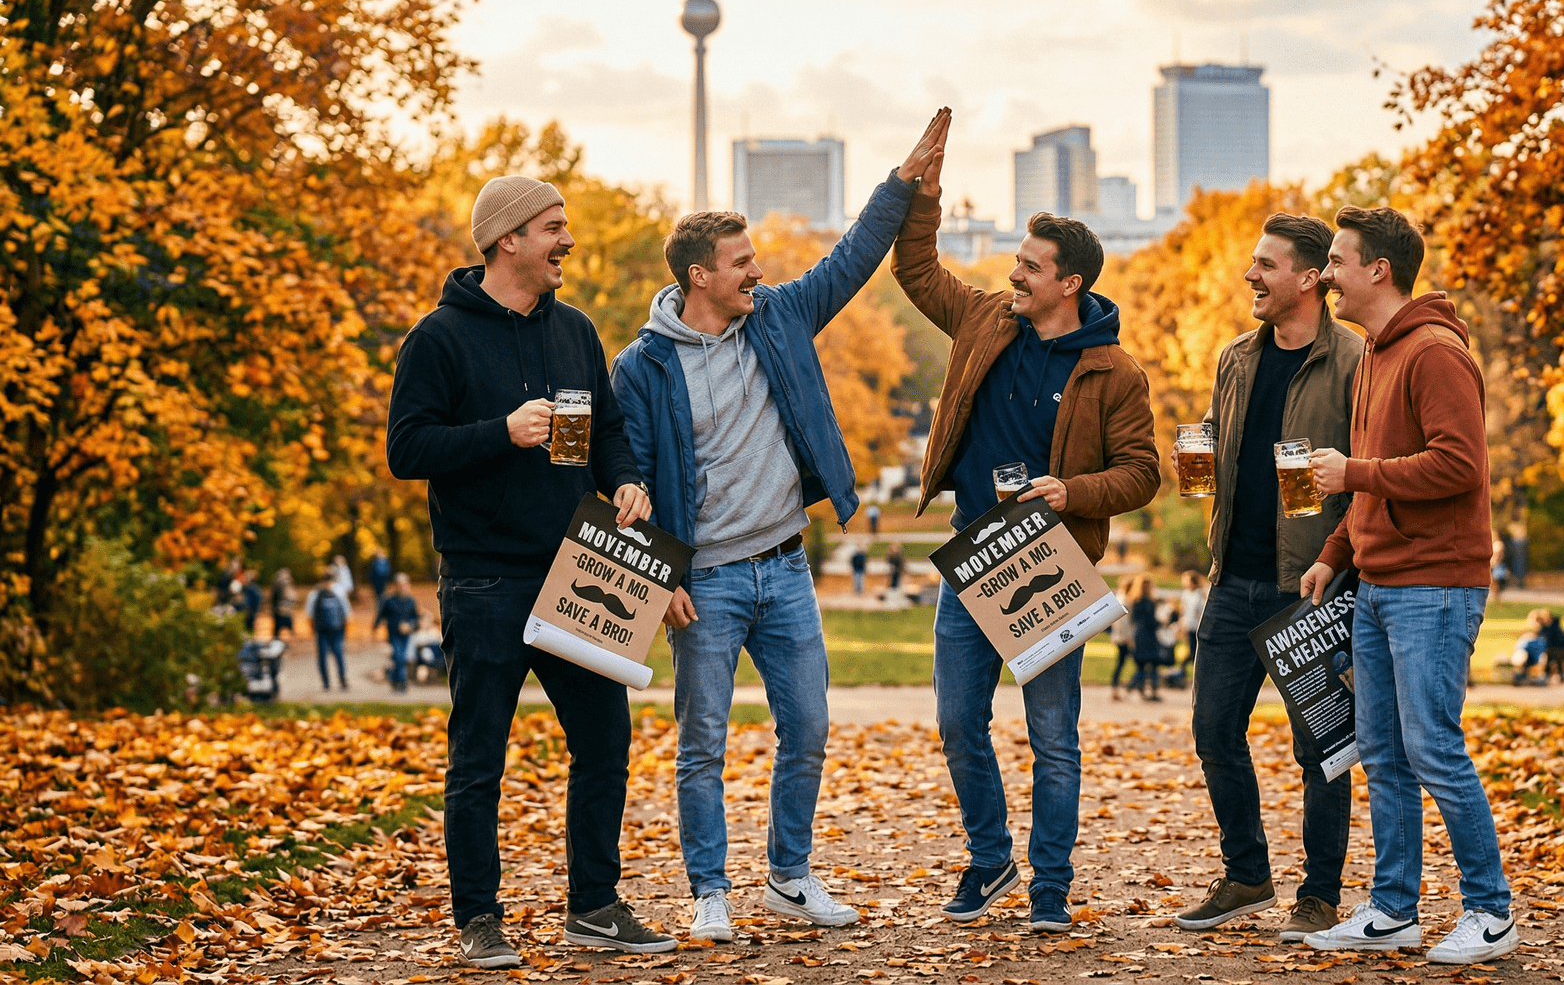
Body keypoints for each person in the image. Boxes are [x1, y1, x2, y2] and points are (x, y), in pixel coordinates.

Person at [610, 109, 947, 945]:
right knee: (704, 743)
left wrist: (902, 182)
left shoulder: (779, 318)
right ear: (699, 276)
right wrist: (664, 580)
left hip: (786, 567)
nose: (757, 271)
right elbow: (631, 480)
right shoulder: (642, 367)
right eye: (741, 263)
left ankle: (790, 877)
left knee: (809, 728)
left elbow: (853, 259)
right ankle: (709, 891)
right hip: (708, 583)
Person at [387, 172, 671, 967]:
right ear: (508, 239)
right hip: (483, 578)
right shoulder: (437, 339)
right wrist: (499, 432)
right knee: (480, 755)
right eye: (552, 227)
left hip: (578, 570)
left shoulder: (573, 330)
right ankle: (478, 918)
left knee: (604, 740)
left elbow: (608, 430)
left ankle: (594, 907)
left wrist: (625, 479)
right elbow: (406, 450)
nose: (566, 242)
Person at [890, 118, 1160, 932]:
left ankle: (1050, 885)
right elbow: (915, 268)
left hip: (1051, 563)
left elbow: (1144, 472)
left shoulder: (1113, 370)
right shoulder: (983, 320)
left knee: (1054, 737)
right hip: (975, 556)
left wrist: (1071, 491)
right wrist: (923, 194)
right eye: (1016, 261)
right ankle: (989, 858)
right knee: (956, 721)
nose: (1014, 274)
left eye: (1030, 267)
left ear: (1069, 283)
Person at [1299, 205, 1518, 963]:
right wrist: (1335, 551)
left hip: (1436, 586)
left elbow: (1460, 465)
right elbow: (1370, 481)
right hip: (1381, 583)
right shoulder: (1375, 355)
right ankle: (1393, 910)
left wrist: (1354, 473)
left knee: (1433, 749)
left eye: (1335, 260)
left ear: (1377, 270)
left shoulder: (1433, 353)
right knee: (1385, 753)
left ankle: (1492, 912)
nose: (1325, 274)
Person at [1177, 212, 1363, 937]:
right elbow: (1221, 439)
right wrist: (1199, 458)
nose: (1250, 275)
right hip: (1233, 578)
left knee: (1321, 745)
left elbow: (1364, 478)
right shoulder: (1235, 357)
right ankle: (1247, 872)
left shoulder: (1354, 361)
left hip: (1311, 583)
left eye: (1266, 264)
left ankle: (1319, 893)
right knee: (1213, 730)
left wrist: (1332, 560)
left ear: (1309, 278)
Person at [374, 574, 422, 693]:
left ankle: (394, 680)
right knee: (399, 657)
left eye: (405, 584)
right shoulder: (389, 600)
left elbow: (416, 619)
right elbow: (381, 615)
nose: (402, 587)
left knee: (399, 658)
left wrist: (410, 626)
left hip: (406, 635)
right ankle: (402, 684)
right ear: (396, 586)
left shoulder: (411, 601)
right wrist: (375, 628)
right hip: (393, 634)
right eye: (400, 585)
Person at [1123, 576, 1163, 702]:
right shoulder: (1149, 602)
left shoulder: (1135, 600)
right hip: (1148, 635)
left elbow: (1133, 619)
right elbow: (1151, 620)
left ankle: (1136, 685)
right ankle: (1152, 690)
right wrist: (1160, 623)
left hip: (1139, 634)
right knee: (1153, 663)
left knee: (1141, 664)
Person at [305, 580, 349, 690]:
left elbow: (309, 614)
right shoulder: (339, 592)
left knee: (326, 656)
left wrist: (313, 628)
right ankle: (339, 679)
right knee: (337, 655)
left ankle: (327, 682)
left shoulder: (314, 594)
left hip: (325, 631)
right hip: (333, 630)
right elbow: (346, 613)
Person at [1175, 570, 1206, 684]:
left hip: (1198, 627)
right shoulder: (1186, 594)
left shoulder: (1200, 593)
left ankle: (1191, 673)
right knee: (1192, 650)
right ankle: (1189, 673)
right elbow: (1183, 611)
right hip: (1189, 626)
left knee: (1195, 651)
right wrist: (1181, 624)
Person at [1510, 614, 1547, 685]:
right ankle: (1518, 675)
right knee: (1521, 655)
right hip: (1524, 656)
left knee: (1543, 657)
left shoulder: (1542, 638)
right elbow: (1518, 650)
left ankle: (1538, 677)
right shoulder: (1526, 636)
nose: (1537, 625)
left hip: (1535, 658)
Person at [270, 568, 297, 640]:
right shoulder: (282, 584)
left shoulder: (281, 584)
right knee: (282, 628)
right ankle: (279, 642)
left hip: (283, 609)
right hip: (282, 609)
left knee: (279, 628)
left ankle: (278, 642)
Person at [1489, 536, 1509, 601]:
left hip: (1497, 566)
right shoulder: (1495, 544)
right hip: (1495, 565)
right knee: (1493, 581)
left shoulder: (1498, 545)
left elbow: (1498, 556)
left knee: (1495, 581)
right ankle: (1495, 595)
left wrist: (1494, 562)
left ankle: (1496, 595)